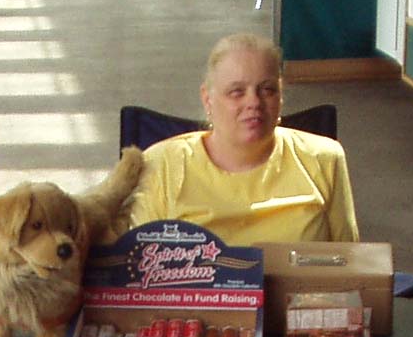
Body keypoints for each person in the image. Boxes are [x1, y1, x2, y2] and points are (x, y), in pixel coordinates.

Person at [129, 33, 359, 246]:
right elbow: (138, 275)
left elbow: (351, 265)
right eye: (237, 92)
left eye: (267, 90)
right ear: (207, 99)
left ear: (280, 96)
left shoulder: (324, 159)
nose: (254, 102)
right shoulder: (160, 166)